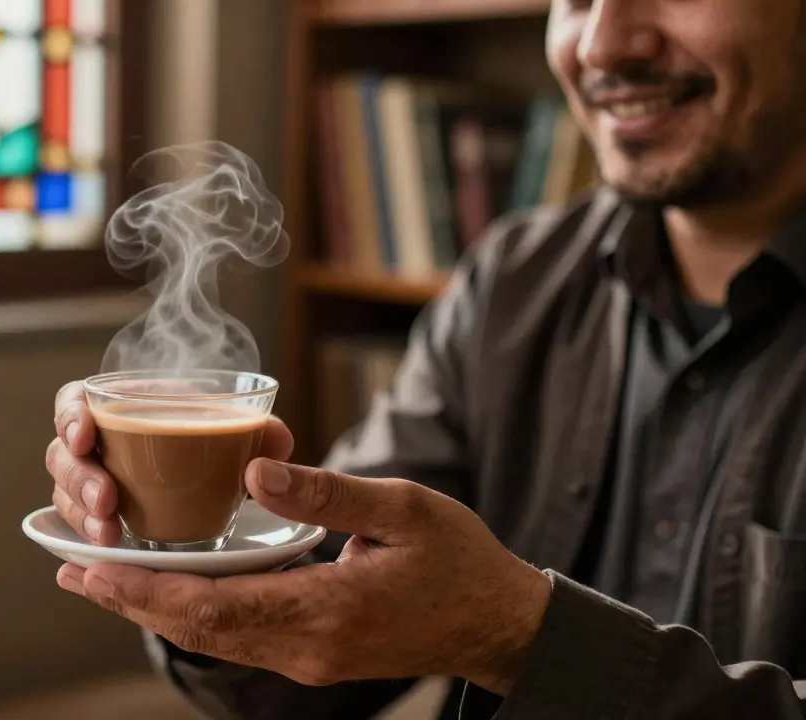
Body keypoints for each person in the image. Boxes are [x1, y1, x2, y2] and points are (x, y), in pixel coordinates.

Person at [43, 0, 806, 716]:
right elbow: (291, 678)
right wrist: (206, 561)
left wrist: (518, 638)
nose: (601, 43)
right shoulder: (513, 280)